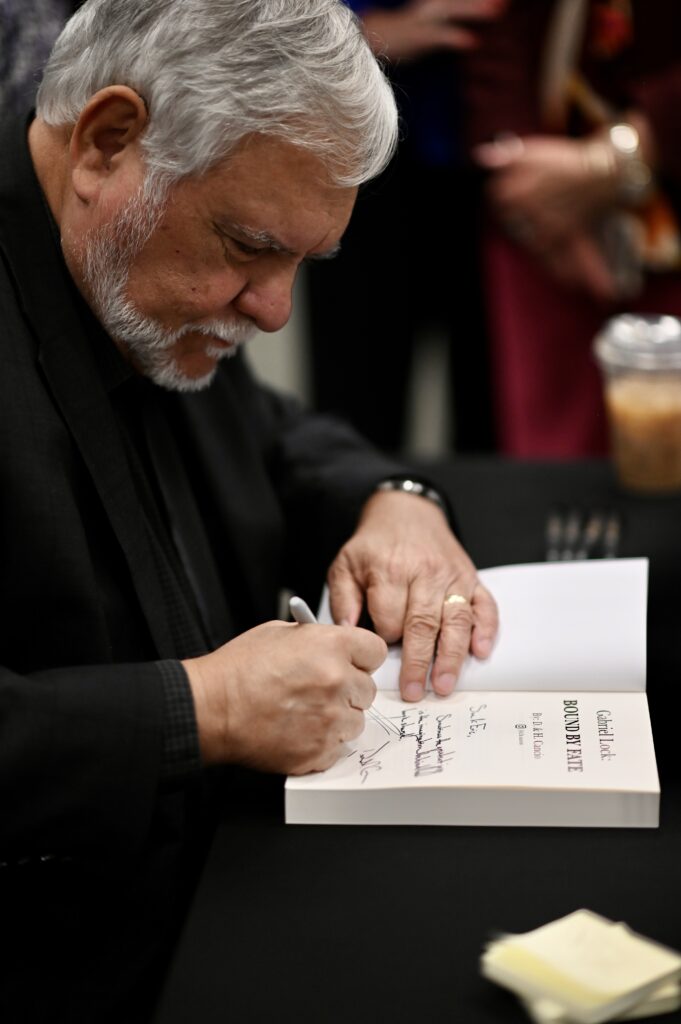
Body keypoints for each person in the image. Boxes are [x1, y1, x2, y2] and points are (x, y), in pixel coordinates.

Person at [0, 1, 498, 1020]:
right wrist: (203, 708)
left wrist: (397, 499)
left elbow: (271, 434)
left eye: (301, 267)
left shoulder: (141, 270)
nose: (274, 310)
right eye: (248, 245)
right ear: (107, 140)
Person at [463, 0, 681, 457]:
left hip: (668, 194)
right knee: (549, 460)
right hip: (539, 212)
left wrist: (626, 153)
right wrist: (525, 182)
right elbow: (495, 21)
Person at [305, 0, 505, 454]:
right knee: (355, 409)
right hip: (357, 139)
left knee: (495, 414)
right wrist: (348, 33)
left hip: (496, 150)